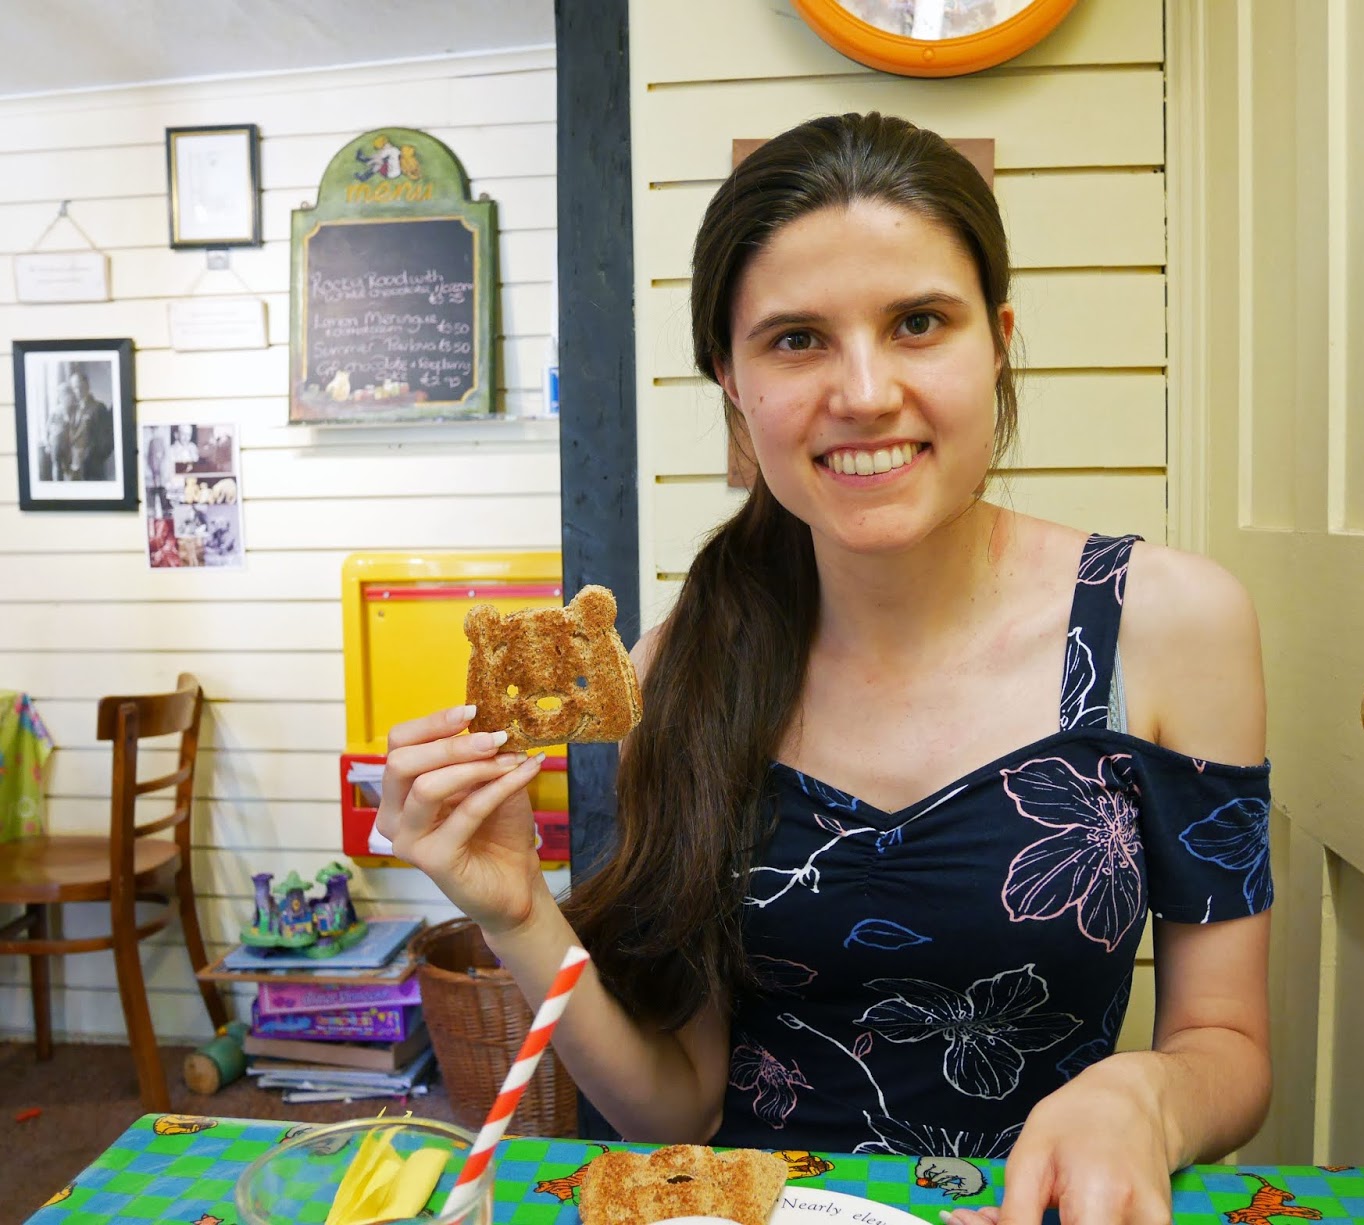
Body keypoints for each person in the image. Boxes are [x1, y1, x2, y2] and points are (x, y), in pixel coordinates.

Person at [376, 112, 1272, 1225]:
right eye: (796, 339)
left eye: (916, 323)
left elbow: (1226, 1046)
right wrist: (516, 911)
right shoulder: (685, 664)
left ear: (995, 341)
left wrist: (1147, 1095)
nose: (862, 392)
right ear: (732, 381)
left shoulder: (1167, 625)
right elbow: (672, 1111)